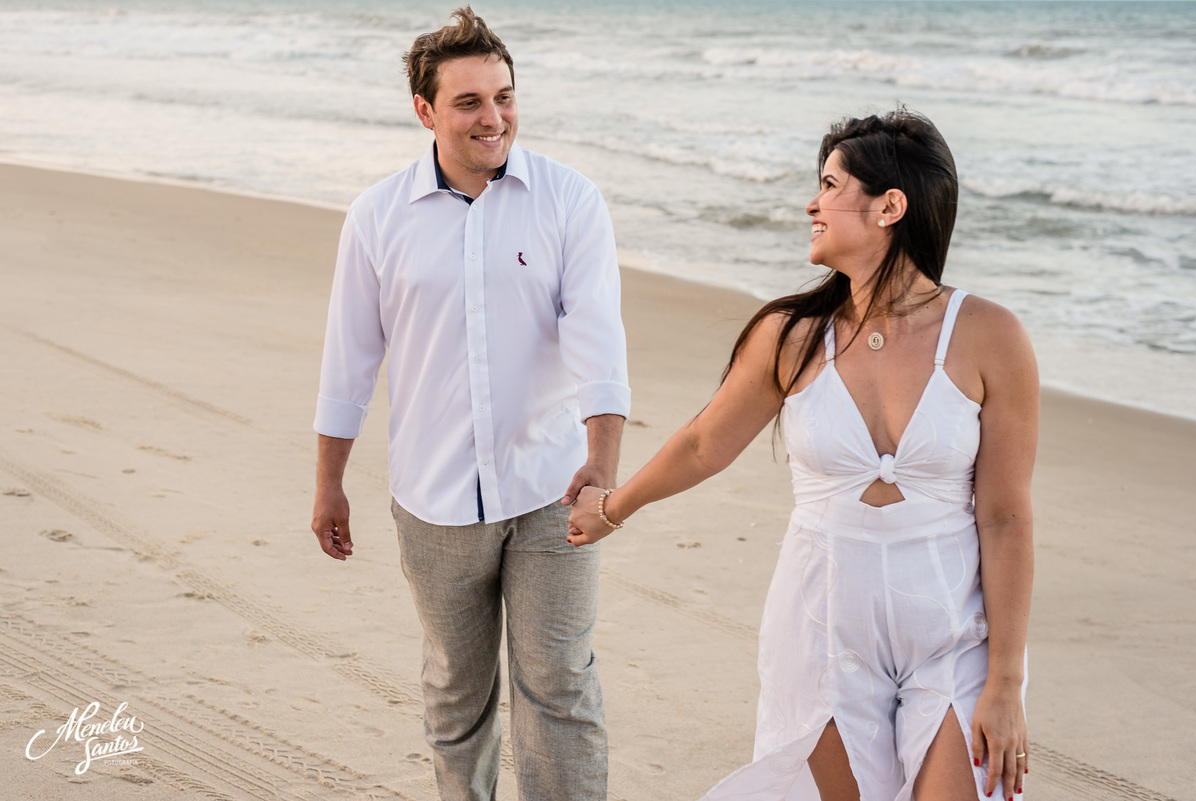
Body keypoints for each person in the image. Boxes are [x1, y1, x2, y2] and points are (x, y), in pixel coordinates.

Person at [569, 109, 1037, 801]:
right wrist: (612, 507)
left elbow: (1005, 518)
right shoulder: (791, 336)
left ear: (890, 207)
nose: (812, 204)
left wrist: (1006, 682)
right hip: (821, 629)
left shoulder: (989, 336)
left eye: (829, 184)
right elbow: (703, 443)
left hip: (953, 633)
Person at [310, 7, 628, 801]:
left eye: (505, 96)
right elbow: (349, 361)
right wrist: (329, 482)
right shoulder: (377, 218)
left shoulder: (569, 200)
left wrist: (603, 468)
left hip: (554, 487)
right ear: (425, 110)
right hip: (434, 496)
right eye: (470, 102)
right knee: (457, 692)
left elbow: (598, 339)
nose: (494, 117)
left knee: (560, 684)